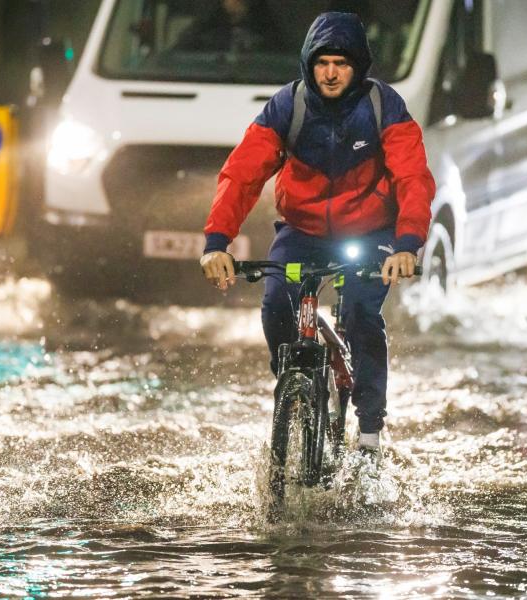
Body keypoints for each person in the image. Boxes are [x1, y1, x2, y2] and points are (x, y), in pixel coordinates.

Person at [200, 12, 435, 456]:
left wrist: (406, 245)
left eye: (341, 64)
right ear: (309, 63)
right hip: (302, 231)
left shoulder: (385, 106)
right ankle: (294, 385)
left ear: (358, 67)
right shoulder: (288, 105)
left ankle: (369, 434)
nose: (330, 72)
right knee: (275, 303)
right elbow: (242, 175)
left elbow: (413, 178)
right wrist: (217, 242)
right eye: (322, 62)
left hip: (371, 233)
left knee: (364, 315)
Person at [174, 0, 284, 53]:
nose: (235, 3)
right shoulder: (205, 28)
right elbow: (177, 55)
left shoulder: (266, 29)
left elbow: (280, 58)